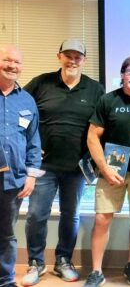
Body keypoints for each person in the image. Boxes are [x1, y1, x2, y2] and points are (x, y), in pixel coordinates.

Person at [23, 39, 104, 285]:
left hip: (76, 168)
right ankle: (35, 263)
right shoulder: (41, 83)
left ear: (84, 61)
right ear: (59, 56)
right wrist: (30, 145)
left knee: (71, 215)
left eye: (77, 56)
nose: (73, 60)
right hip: (42, 166)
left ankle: (63, 260)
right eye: (68, 55)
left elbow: (102, 126)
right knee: (36, 214)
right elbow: (19, 110)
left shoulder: (95, 89)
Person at [83, 56, 130, 287]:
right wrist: (103, 167)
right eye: (129, 71)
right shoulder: (108, 100)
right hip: (111, 171)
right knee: (102, 219)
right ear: (122, 75)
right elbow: (93, 137)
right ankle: (96, 271)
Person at [0, 45, 42, 287]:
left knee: (6, 234)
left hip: (13, 180)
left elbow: (34, 142)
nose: (12, 66)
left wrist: (32, 176)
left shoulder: (26, 100)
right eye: (7, 60)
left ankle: (5, 281)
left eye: (17, 62)